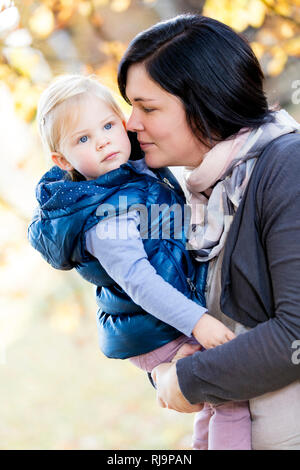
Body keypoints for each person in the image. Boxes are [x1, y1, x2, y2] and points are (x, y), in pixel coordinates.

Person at [28, 74, 253, 451]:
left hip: (166, 314)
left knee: (214, 401)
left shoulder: (134, 171)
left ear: (122, 121)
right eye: (83, 139)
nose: (102, 140)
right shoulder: (105, 217)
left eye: (107, 125)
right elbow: (140, 283)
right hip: (157, 326)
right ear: (62, 160)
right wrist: (198, 322)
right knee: (231, 396)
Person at [117, 14, 300, 450]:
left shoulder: (286, 168)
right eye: (129, 106)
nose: (129, 123)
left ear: (203, 102)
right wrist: (165, 369)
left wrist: (187, 378)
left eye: (148, 107)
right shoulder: (195, 192)